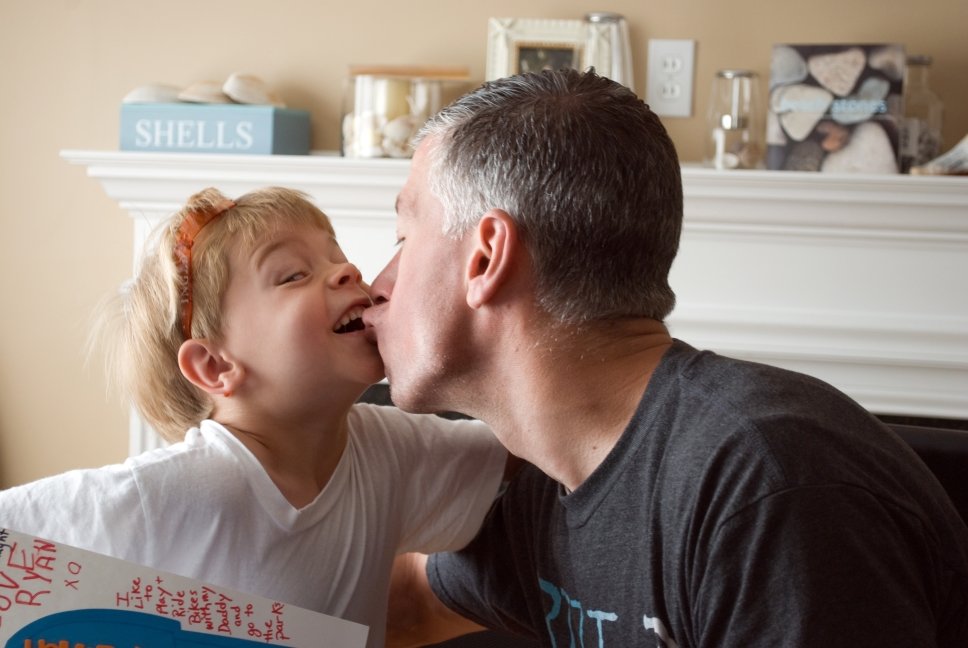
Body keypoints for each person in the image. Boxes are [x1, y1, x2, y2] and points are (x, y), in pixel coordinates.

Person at [362, 69, 968, 647]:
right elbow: (404, 606)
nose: (376, 289)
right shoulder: (558, 480)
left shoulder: (766, 486)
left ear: (486, 257)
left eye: (403, 241)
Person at [0, 187, 507, 648]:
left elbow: (523, 449)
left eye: (338, 256)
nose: (349, 271)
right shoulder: (169, 493)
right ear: (215, 366)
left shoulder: (389, 451)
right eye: (293, 275)